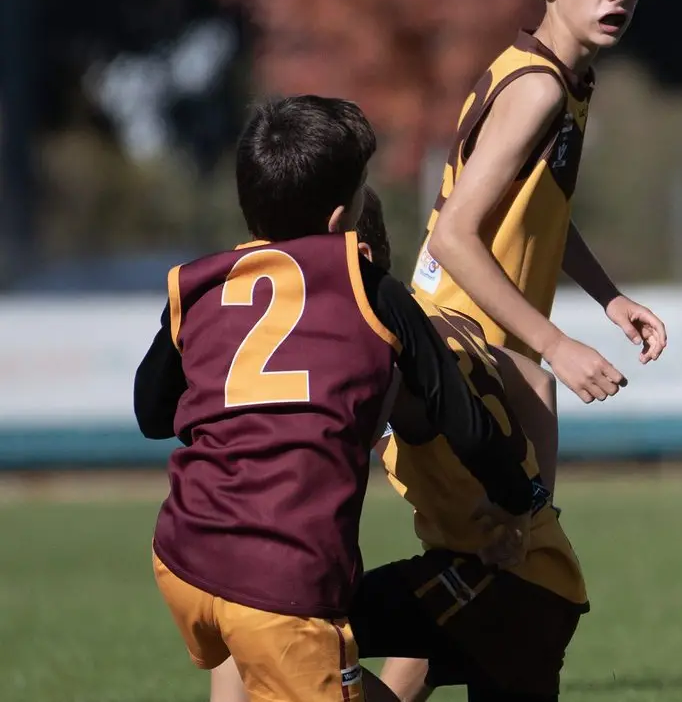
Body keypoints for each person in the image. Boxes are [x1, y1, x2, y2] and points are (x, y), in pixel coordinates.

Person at [138, 95, 534, 702]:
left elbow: (150, 413)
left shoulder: (200, 284)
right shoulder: (371, 290)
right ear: (340, 218)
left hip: (183, 553)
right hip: (280, 578)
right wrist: (518, 500)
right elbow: (464, 420)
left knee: (248, 668)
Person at [411, 0, 667, 485]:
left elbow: (537, 207)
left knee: (514, 559)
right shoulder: (539, 90)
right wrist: (556, 345)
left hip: (479, 347)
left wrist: (607, 297)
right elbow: (452, 234)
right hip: (458, 344)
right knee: (524, 558)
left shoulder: (565, 80)